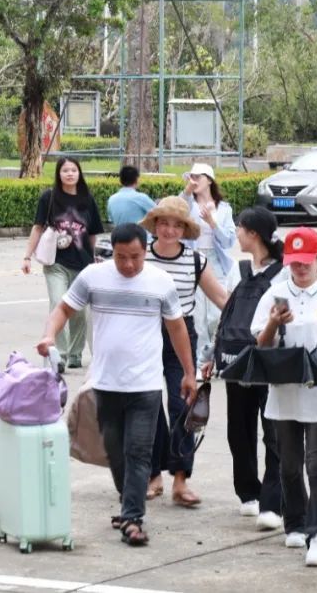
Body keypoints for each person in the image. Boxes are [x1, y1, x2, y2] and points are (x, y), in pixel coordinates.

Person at [35, 223, 196, 546]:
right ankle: (128, 503)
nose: (129, 264)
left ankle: (133, 519)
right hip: (106, 383)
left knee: (138, 451)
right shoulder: (93, 277)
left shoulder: (160, 283)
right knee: (115, 451)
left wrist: (189, 373)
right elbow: (64, 308)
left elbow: (177, 328)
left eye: (135, 257)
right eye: (122, 257)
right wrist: (49, 335)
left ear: (145, 251)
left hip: (145, 385)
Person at [250, 227, 317, 567]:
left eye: (306, 262)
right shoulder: (275, 293)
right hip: (285, 393)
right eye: (294, 262)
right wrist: (273, 323)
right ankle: (295, 522)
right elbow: (260, 344)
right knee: (289, 465)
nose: (300, 268)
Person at [138, 197, 229, 508]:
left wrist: (247, 321)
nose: (169, 230)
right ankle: (153, 475)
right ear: (155, 226)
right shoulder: (141, 255)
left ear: (185, 230)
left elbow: (221, 298)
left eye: (177, 225)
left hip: (182, 336)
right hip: (144, 334)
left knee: (182, 405)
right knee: (148, 406)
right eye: (164, 223)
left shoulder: (195, 261)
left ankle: (180, 479)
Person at [202, 207, 287, 532]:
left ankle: (273, 501)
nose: (236, 233)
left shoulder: (284, 273)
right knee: (238, 428)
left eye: (240, 228)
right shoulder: (238, 270)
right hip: (236, 359)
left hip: (272, 360)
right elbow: (227, 315)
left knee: (274, 431)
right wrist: (212, 354)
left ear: (254, 234)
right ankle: (248, 492)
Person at [21, 157, 103, 371]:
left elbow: (93, 233)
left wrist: (95, 258)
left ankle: (75, 354)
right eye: (65, 170)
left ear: (79, 173)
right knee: (59, 303)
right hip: (55, 262)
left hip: (83, 263)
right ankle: (61, 355)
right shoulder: (49, 198)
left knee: (80, 311)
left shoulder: (87, 199)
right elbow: (37, 227)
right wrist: (27, 256)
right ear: (58, 174)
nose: (69, 174)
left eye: (73, 170)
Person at [181, 163, 239, 366]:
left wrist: (212, 223)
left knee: (217, 314)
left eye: (198, 177)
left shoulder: (224, 209)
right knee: (198, 316)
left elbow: (229, 241)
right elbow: (175, 210)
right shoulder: (188, 203)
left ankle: (217, 356)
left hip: (216, 261)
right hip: (193, 260)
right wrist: (187, 192)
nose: (194, 180)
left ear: (209, 180)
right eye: (191, 177)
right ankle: (201, 362)